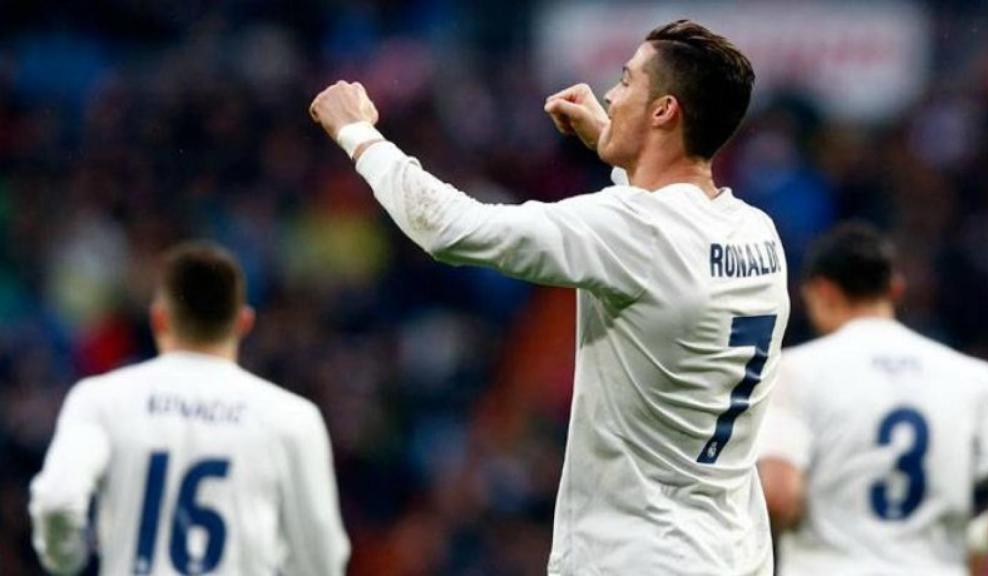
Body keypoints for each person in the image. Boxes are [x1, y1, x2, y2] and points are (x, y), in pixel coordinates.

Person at [310, 19, 789, 575]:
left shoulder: (634, 230)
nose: (610, 95)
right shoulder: (758, 234)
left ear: (664, 111)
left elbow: (451, 229)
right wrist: (621, 151)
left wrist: (359, 136)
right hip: (730, 552)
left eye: (627, 82)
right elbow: (663, 240)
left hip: (639, 555)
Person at [29, 242, 350, 575]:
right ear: (243, 322)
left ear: (159, 318)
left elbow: (57, 499)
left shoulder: (100, 399)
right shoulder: (292, 418)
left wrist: (66, 561)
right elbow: (321, 557)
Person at [758, 222, 988, 575]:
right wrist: (979, 540)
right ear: (895, 289)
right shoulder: (975, 377)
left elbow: (779, 496)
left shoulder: (796, 371)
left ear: (821, 292)